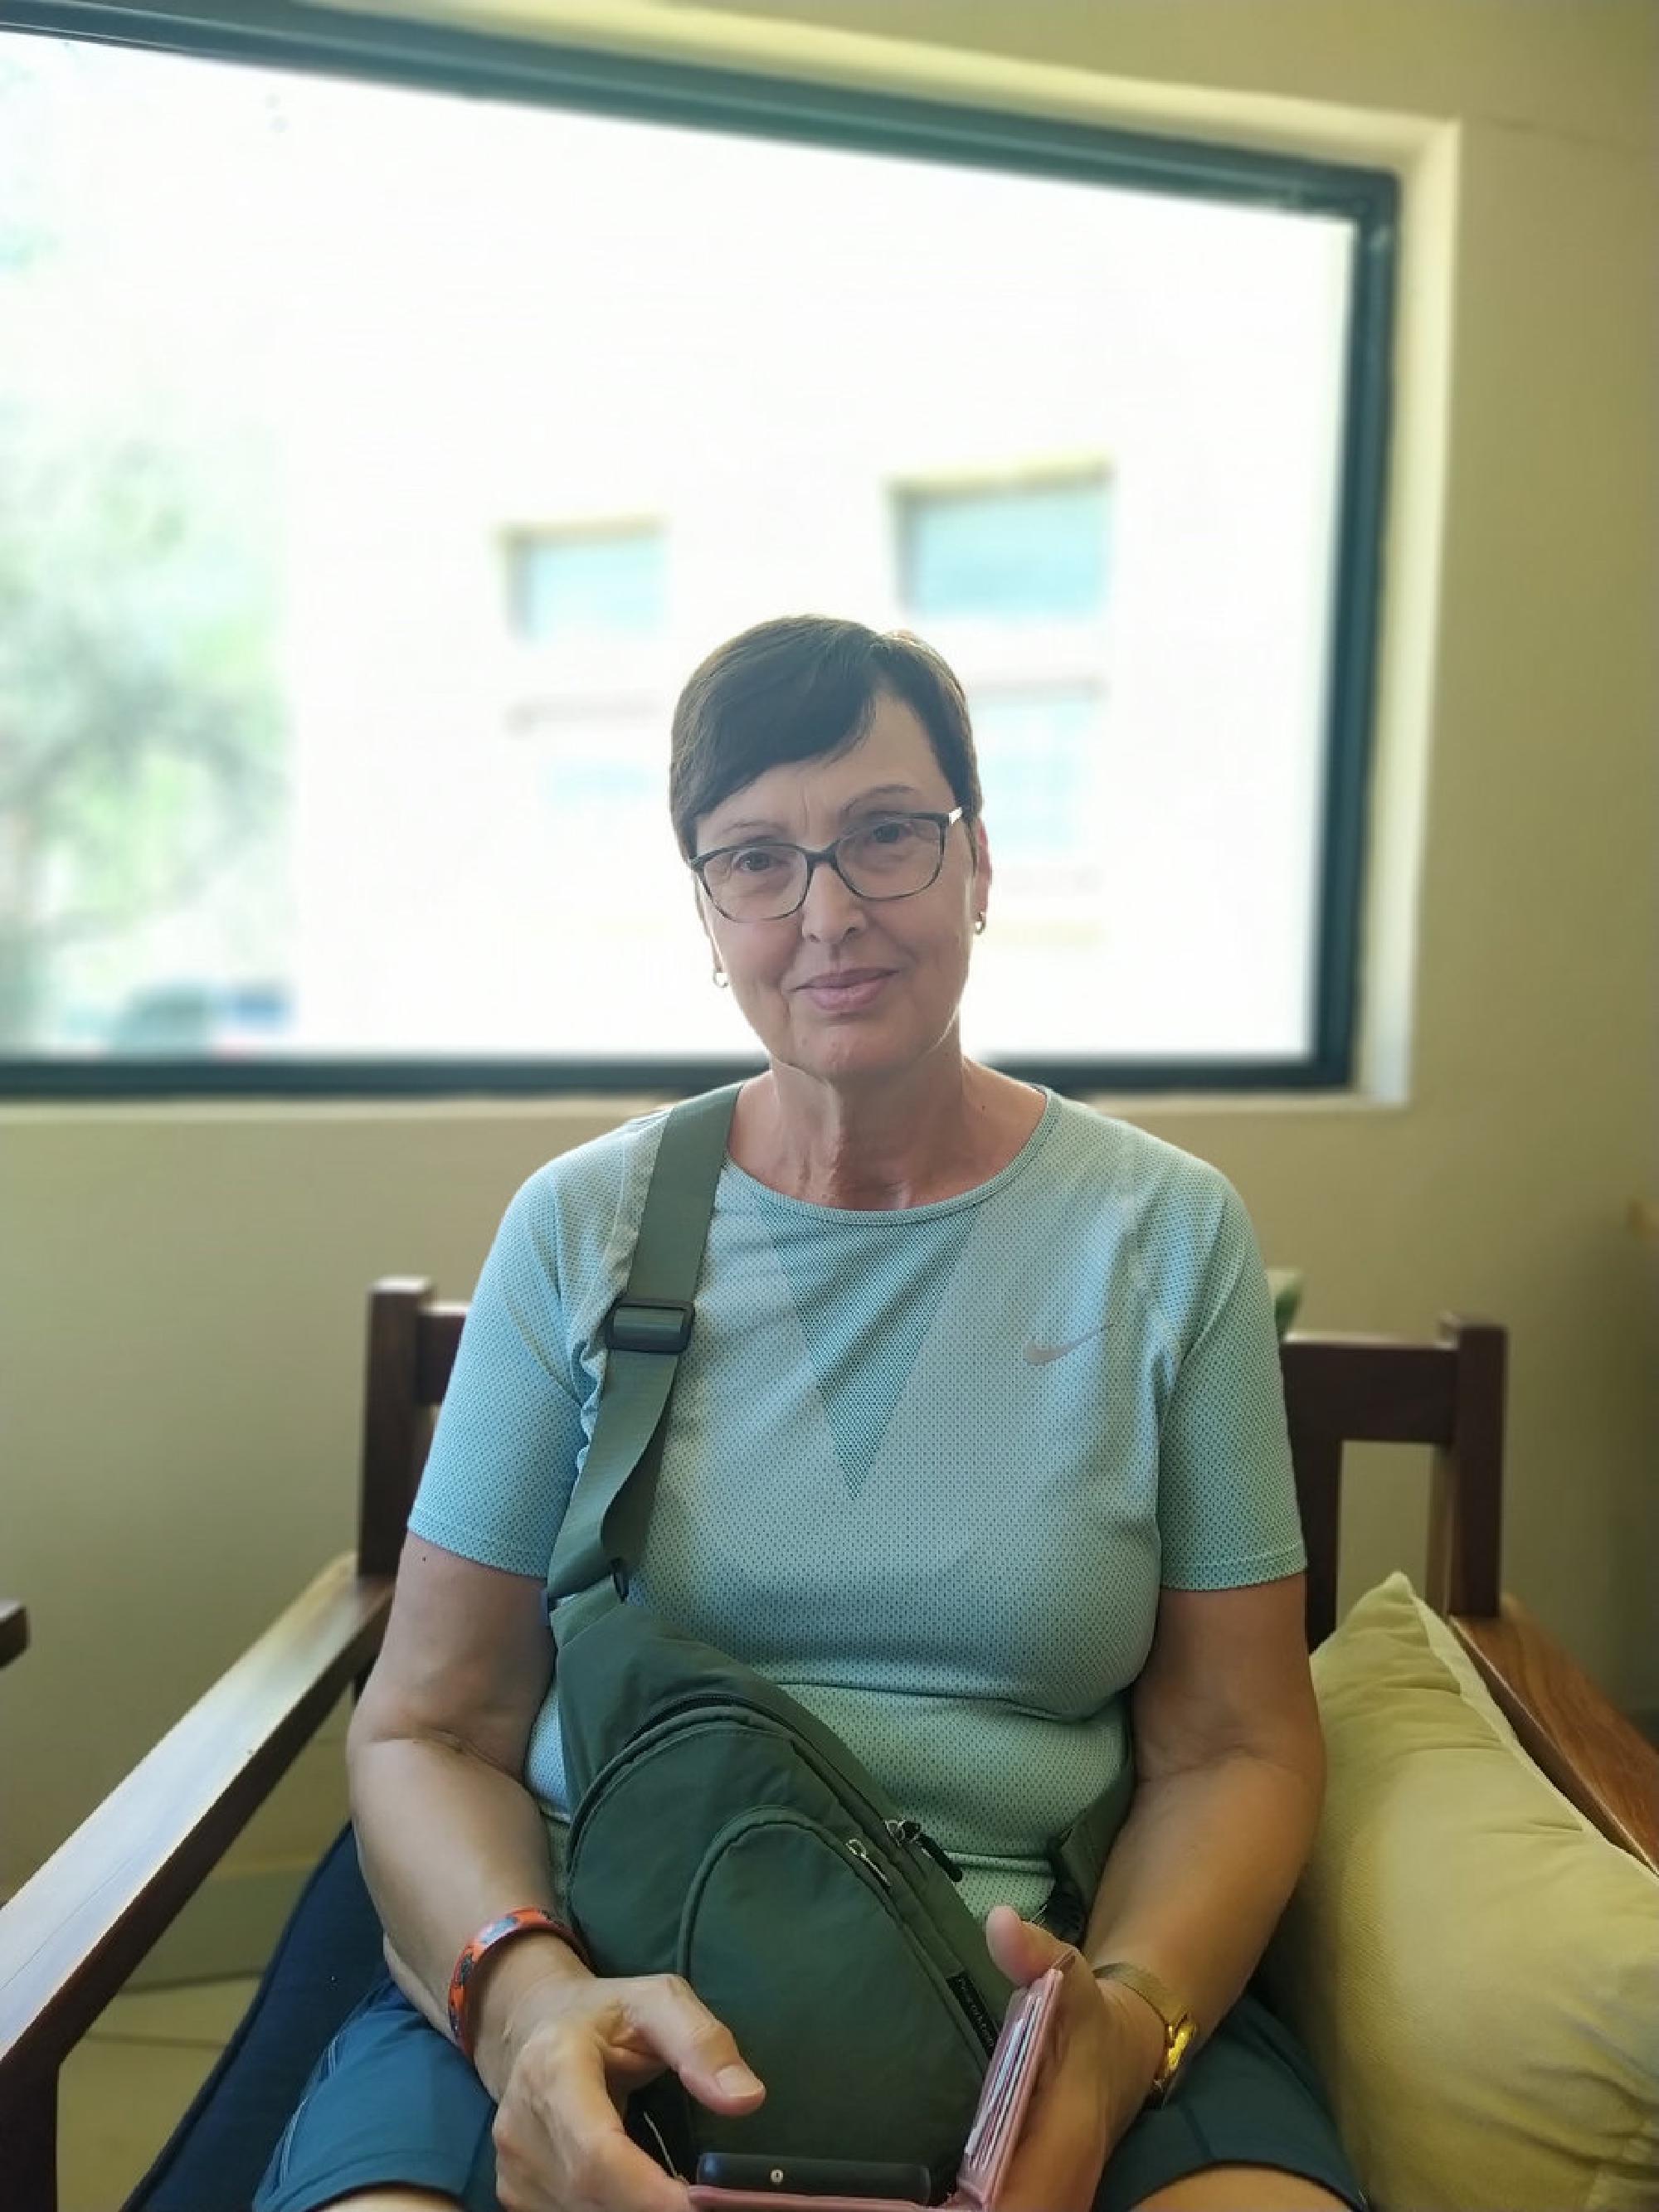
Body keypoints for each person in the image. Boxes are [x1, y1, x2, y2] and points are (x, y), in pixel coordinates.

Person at [255, 615, 1367, 2212]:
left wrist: (1119, 2037)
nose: (828, 913)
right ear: (710, 917)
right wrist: (530, 2009)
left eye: (887, 835)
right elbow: (433, 1724)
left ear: (980, 865)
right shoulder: (581, 1232)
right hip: (600, 1963)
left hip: (1044, 1996)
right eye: (757, 862)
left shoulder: (1166, 1240)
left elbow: (1235, 1745)